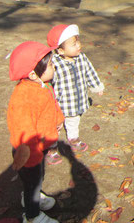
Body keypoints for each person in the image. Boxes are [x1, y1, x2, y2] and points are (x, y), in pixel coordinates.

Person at [8, 41, 64, 223]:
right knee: (33, 180)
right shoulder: (24, 97)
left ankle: (32, 196)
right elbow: (23, 131)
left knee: (37, 179)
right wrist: (32, 158)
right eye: (50, 65)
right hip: (30, 152)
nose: (53, 66)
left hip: (41, 145)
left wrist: (58, 119)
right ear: (32, 73)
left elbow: (52, 103)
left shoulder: (43, 85)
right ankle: (32, 216)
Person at [45, 24, 104, 164]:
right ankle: (51, 149)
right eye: (73, 44)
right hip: (60, 103)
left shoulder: (82, 58)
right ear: (60, 50)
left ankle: (73, 138)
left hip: (75, 101)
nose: (78, 45)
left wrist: (96, 86)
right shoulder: (54, 63)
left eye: (78, 41)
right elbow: (48, 82)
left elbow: (90, 72)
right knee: (55, 127)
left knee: (74, 120)